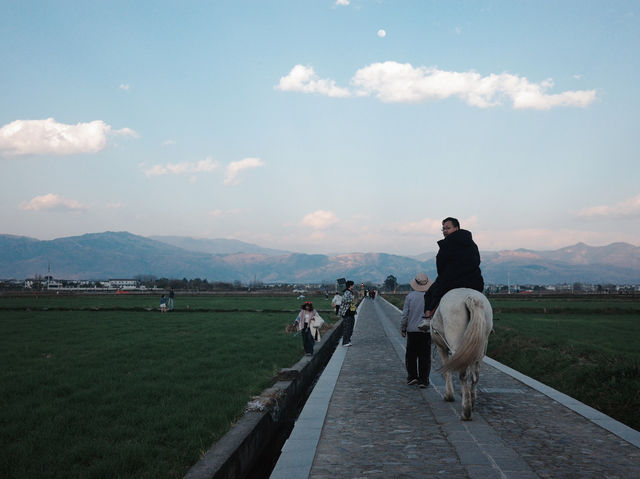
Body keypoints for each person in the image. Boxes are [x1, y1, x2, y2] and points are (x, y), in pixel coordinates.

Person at [423, 217, 484, 321]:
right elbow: (477, 261)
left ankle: (428, 318)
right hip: (474, 280)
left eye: (448, 228)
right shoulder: (471, 243)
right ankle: (485, 322)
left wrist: (446, 275)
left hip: (451, 281)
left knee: (428, 295)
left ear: (456, 228)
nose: (445, 231)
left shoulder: (446, 244)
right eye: (443, 229)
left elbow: (440, 266)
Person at [401, 273, 433, 388]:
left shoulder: (410, 297)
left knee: (411, 355)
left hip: (412, 330)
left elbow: (405, 315)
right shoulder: (431, 297)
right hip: (426, 331)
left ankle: (412, 377)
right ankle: (423, 380)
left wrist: (403, 328)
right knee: (425, 356)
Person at [338, 280, 356, 347]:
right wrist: (351, 300)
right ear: (350, 286)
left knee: (350, 327)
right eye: (352, 285)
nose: (353, 286)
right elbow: (344, 300)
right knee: (347, 327)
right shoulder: (347, 292)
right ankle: (345, 342)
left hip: (351, 312)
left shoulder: (350, 292)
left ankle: (348, 340)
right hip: (347, 313)